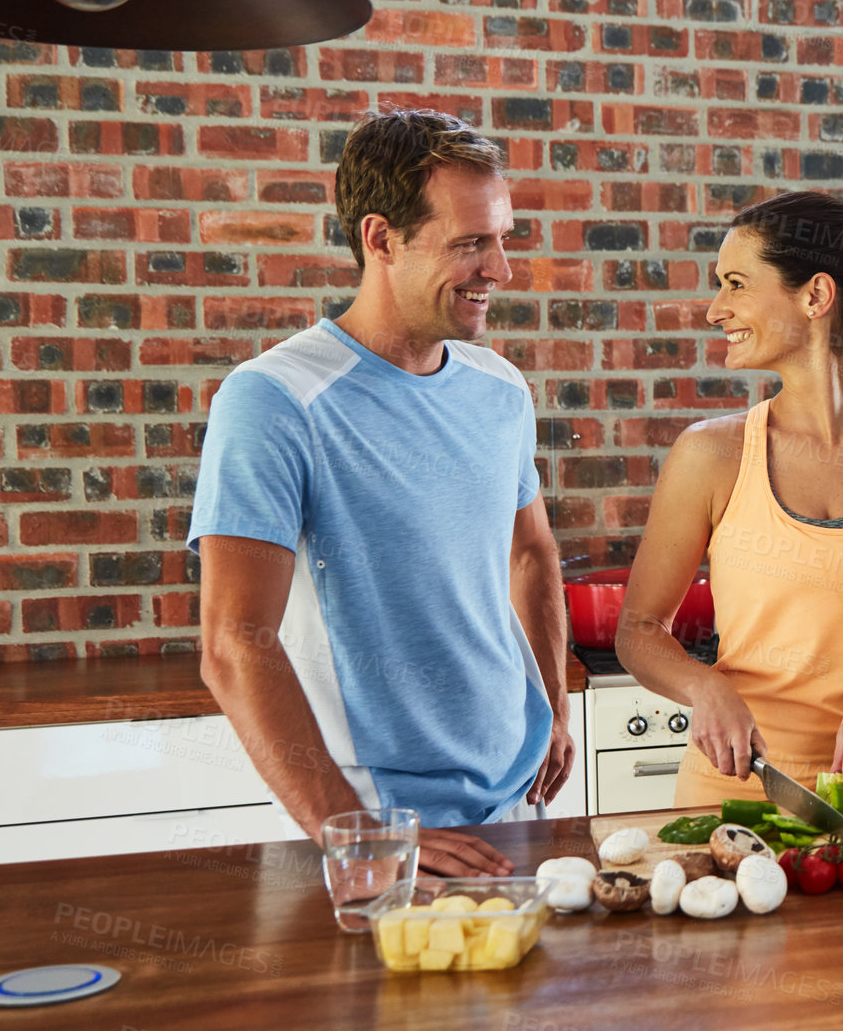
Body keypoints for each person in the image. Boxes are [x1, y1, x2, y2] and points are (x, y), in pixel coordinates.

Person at [188, 110, 572, 876]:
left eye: (503, 239)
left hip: (516, 801)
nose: (499, 269)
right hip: (374, 821)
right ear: (381, 238)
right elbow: (234, 643)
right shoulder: (273, 400)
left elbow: (529, 553)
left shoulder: (499, 389)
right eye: (470, 243)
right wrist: (358, 834)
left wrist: (555, 707)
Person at [614, 191, 843, 808]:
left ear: (814, 296)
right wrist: (703, 687)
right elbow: (639, 630)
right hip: (734, 791)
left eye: (735, 284)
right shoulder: (710, 455)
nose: (714, 309)